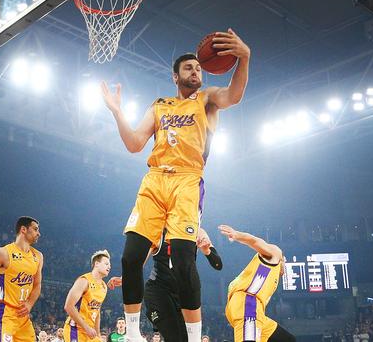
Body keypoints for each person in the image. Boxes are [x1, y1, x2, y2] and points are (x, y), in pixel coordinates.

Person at [101, 29, 250, 342]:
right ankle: (131, 334)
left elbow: (234, 95)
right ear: (175, 76)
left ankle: (194, 338)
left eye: (198, 68)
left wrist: (244, 58)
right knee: (130, 258)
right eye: (189, 68)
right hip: (155, 179)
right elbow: (133, 144)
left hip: (187, 179)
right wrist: (116, 111)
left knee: (183, 261)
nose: (195, 71)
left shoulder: (207, 100)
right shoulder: (159, 106)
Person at [143, 229, 222, 342]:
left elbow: (218, 264)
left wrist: (207, 251)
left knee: (186, 338)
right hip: (158, 291)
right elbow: (139, 262)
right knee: (174, 336)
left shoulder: (198, 232)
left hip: (182, 295)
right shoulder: (158, 230)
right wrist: (127, 276)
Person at [219, 225, 295, 342]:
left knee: (288, 339)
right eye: (286, 261)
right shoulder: (276, 254)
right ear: (283, 259)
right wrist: (237, 235)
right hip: (247, 305)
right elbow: (255, 241)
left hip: (254, 310)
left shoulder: (271, 276)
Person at [63, 250, 119, 342]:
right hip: (75, 330)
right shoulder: (84, 281)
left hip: (90, 332)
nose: (109, 266)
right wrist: (86, 327)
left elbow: (97, 311)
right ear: (96, 264)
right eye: (106, 264)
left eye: (110, 265)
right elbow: (68, 306)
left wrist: (98, 334)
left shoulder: (104, 286)